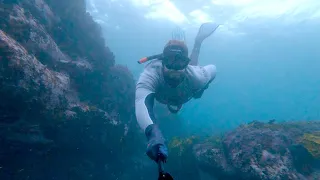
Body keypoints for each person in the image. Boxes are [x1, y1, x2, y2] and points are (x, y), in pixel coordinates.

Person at [135, 22, 219, 165]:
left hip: (190, 81)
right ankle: (195, 44)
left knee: (194, 69)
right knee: (193, 72)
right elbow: (141, 102)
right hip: (184, 89)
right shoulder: (151, 73)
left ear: (185, 63)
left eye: (180, 62)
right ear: (162, 61)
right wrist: (152, 132)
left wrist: (203, 88)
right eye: (170, 61)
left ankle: (198, 42)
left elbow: (213, 70)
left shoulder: (197, 77)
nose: (175, 69)